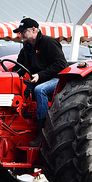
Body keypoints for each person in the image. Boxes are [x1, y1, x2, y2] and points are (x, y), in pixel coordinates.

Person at [12, 18, 67, 147]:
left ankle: (42, 133)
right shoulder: (27, 47)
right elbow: (19, 66)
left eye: (23, 32)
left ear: (33, 30)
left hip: (57, 79)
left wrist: (40, 75)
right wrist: (11, 76)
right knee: (20, 89)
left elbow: (61, 65)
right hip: (39, 79)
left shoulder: (49, 42)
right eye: (19, 32)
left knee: (39, 90)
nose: (21, 35)